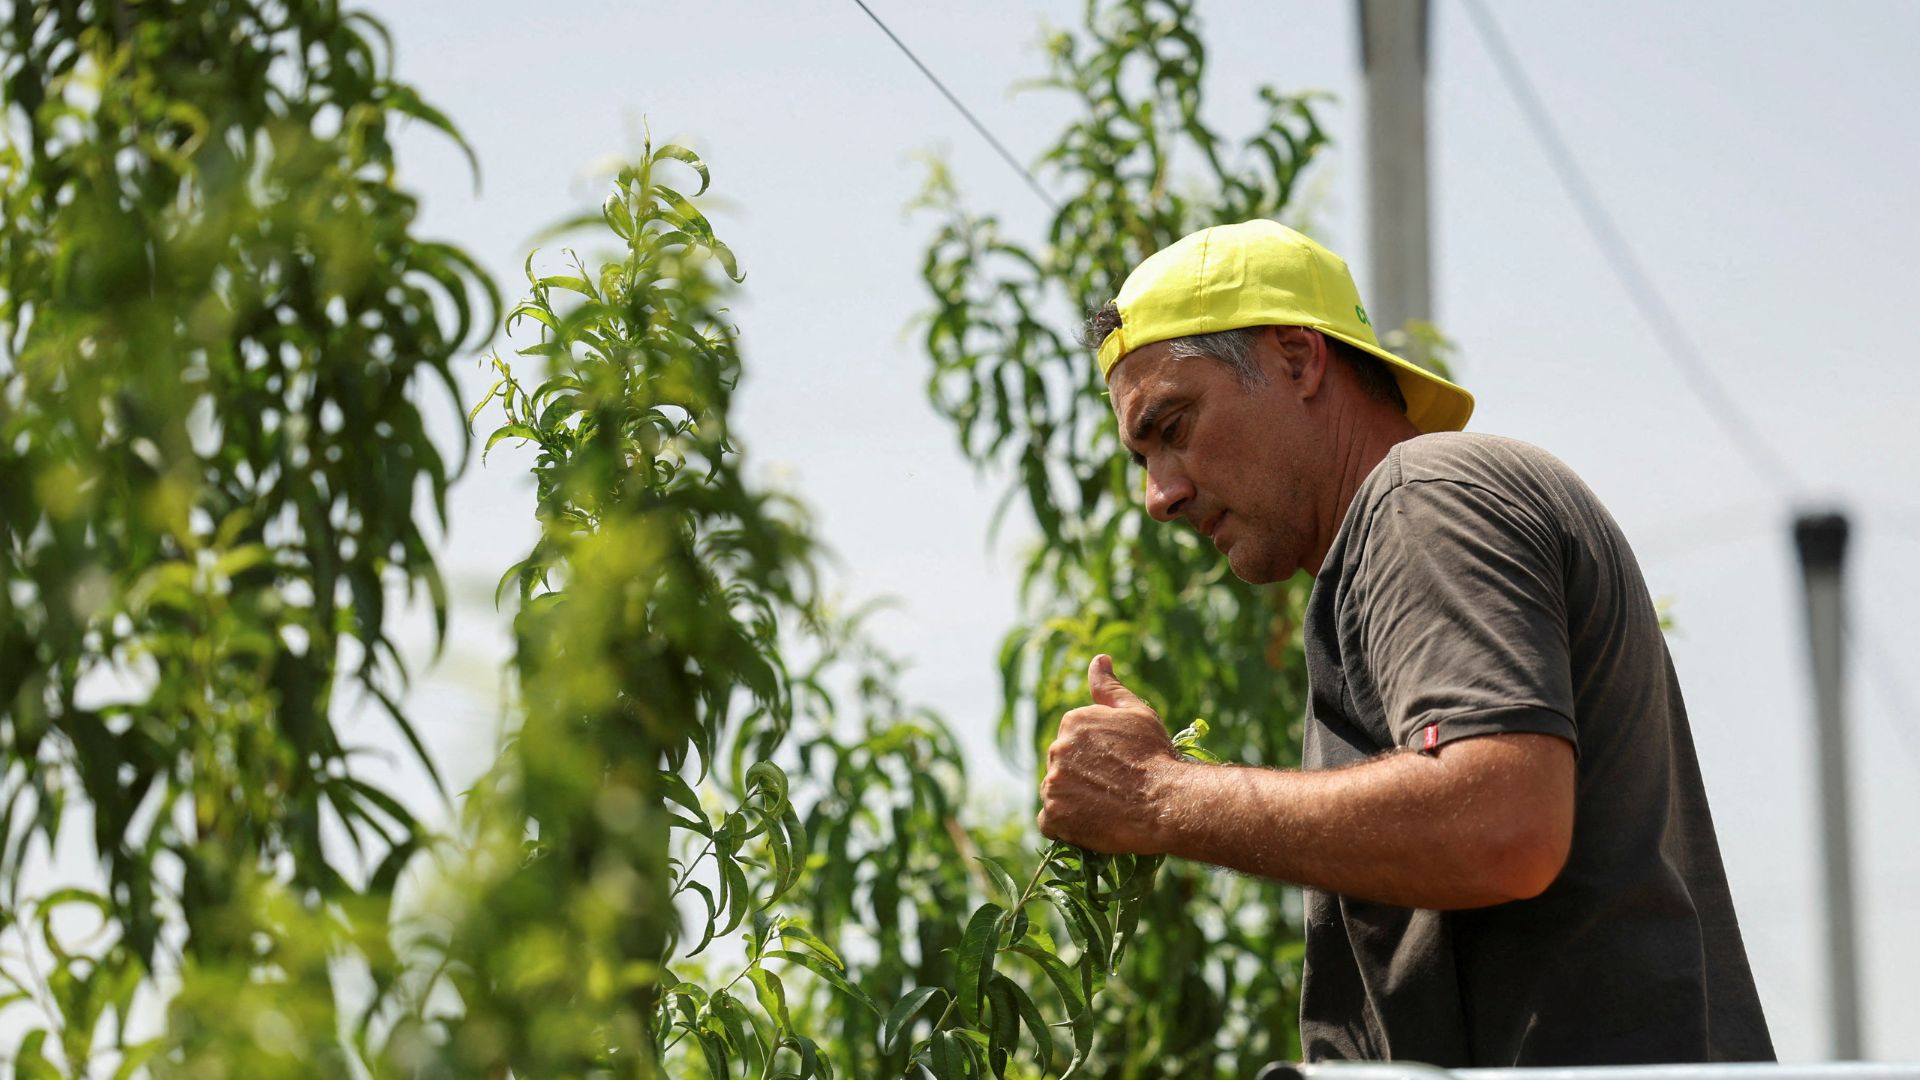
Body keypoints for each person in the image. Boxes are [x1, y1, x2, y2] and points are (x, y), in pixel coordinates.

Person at [1035, 220, 1774, 1065]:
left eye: (1173, 426)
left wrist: (1158, 797)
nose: (1158, 496)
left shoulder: (1422, 498)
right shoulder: (1390, 549)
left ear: (1298, 358)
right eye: (1140, 454)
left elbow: (1504, 824)